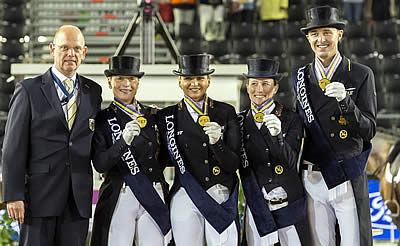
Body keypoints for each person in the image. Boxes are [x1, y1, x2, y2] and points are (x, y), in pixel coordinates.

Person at [1, 25, 102, 245]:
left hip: (77, 202)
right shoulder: (28, 90)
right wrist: (13, 194)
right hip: (38, 199)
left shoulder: (93, 92)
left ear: (84, 52)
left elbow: (94, 139)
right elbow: (13, 147)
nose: (70, 54)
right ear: (52, 49)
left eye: (76, 48)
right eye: (64, 47)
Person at [293, 6, 377, 246]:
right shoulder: (300, 77)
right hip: (313, 178)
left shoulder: (361, 74)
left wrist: (346, 102)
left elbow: (369, 130)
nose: (321, 39)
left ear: (339, 34)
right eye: (315, 34)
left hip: (346, 174)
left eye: (327, 32)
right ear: (308, 38)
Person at [157, 54, 241, 246]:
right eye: (188, 78)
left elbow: (233, 163)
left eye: (200, 78)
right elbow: (160, 159)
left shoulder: (225, 111)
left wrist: (217, 143)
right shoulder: (166, 116)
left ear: (208, 81)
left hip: (219, 192)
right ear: (179, 82)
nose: (194, 83)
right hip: (185, 193)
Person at [90, 56, 171, 246]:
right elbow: (100, 164)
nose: (126, 84)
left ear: (138, 82)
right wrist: (122, 142)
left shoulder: (153, 115)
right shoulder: (101, 119)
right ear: (110, 82)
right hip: (120, 194)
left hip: (153, 192)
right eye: (120, 79)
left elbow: (164, 159)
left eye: (132, 79)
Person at [238, 58, 307, 246]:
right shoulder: (238, 122)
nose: (259, 89)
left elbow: (292, 162)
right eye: (254, 83)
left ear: (275, 88)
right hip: (257, 205)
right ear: (247, 86)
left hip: (288, 203)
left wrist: (278, 137)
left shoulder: (291, 118)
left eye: (266, 84)